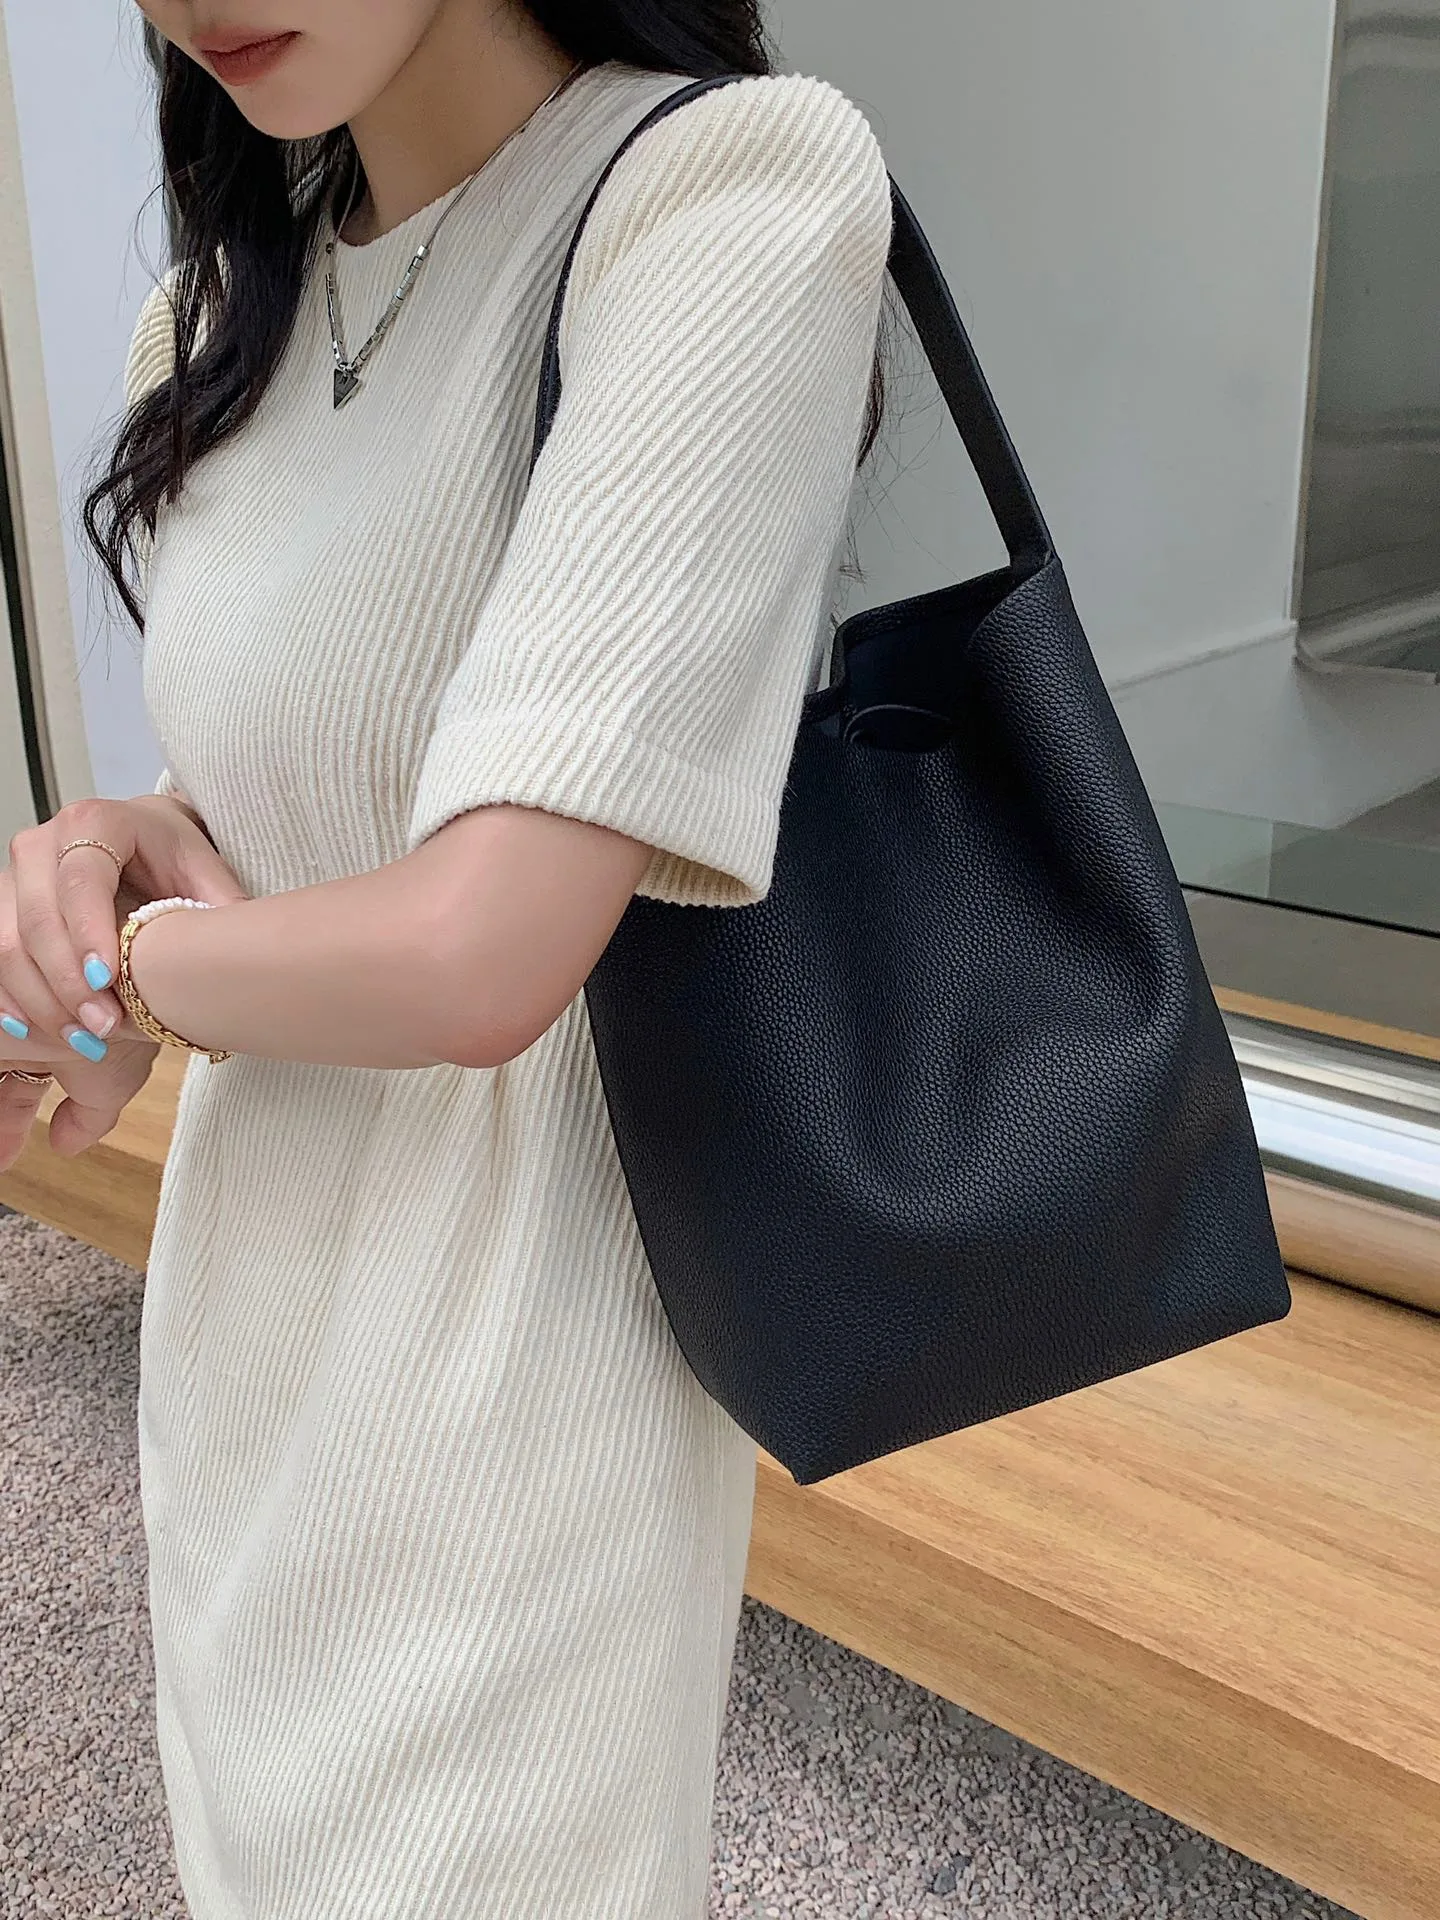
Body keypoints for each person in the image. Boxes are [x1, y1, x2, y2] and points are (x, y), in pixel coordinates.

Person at [0, 1, 892, 1912]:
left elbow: (487, 946)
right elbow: (306, 801)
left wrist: (144, 965)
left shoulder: (723, 194)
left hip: (519, 1401)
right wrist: (113, 860)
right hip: (242, 1347)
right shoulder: (220, 318)